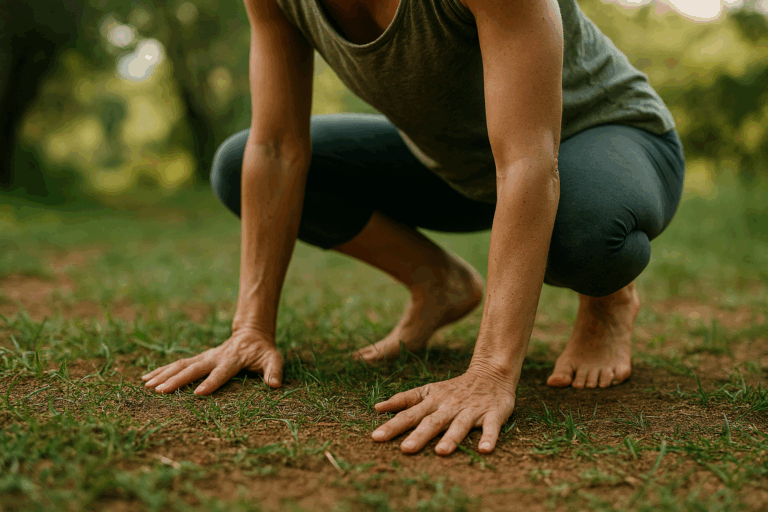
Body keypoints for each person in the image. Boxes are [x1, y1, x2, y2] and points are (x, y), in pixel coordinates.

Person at [142, 0, 685, 455]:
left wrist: (490, 374)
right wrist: (250, 330)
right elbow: (277, 147)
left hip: (603, 139)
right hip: (456, 165)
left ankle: (609, 298)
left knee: (582, 235)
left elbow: (528, 159)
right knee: (240, 164)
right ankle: (439, 283)